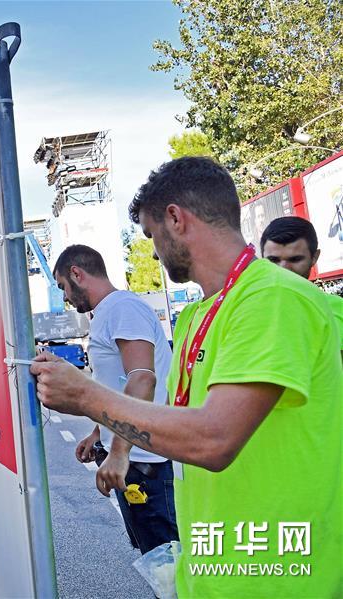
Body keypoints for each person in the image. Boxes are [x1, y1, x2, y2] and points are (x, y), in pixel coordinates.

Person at [31, 157, 341, 598]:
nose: (153, 252)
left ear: (176, 218)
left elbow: (213, 440)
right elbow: (181, 419)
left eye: (151, 234)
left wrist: (85, 398)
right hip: (215, 571)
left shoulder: (272, 298)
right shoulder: (198, 314)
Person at [52, 244, 178, 554]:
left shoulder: (123, 308)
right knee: (154, 559)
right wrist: (99, 433)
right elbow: (119, 387)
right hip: (134, 459)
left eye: (63, 286)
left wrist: (119, 451)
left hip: (146, 462)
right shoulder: (107, 313)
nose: (65, 297)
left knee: (166, 564)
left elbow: (142, 379)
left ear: (76, 273)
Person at [260, 216, 343, 354]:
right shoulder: (244, 310)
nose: (283, 269)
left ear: (314, 257)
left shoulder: (338, 309)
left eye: (295, 259)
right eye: (273, 260)